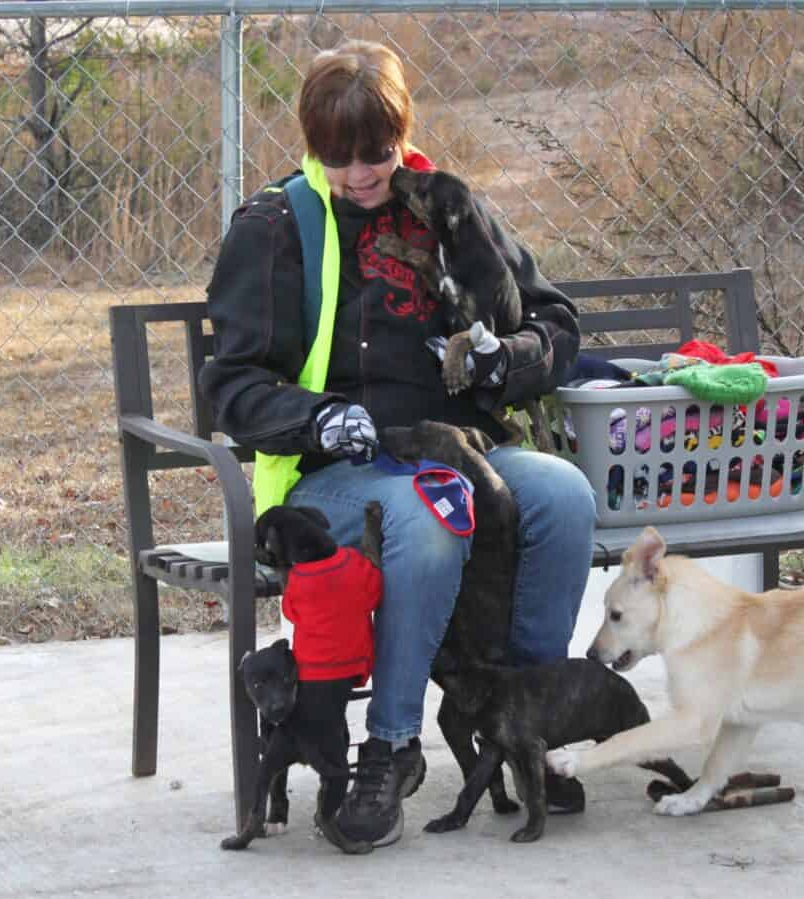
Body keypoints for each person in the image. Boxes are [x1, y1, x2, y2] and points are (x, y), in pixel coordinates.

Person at [199, 39, 596, 848]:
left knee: (562, 494)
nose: (360, 174)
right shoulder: (276, 228)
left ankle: (518, 721)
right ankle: (389, 747)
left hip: (454, 447)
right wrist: (315, 419)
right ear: (313, 147)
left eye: (375, 153)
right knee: (428, 512)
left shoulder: (448, 208)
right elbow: (230, 384)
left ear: (402, 135)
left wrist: (502, 355)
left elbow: (556, 323)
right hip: (333, 478)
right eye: (336, 156)